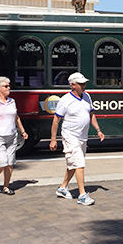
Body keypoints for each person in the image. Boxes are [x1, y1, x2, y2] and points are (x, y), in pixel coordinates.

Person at [50, 72, 104, 206]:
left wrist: (98, 130)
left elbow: (91, 114)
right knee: (79, 164)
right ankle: (82, 195)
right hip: (70, 136)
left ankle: (62, 188)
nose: (84, 86)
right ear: (73, 85)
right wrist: (53, 139)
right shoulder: (65, 100)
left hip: (82, 137)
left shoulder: (87, 96)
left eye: (84, 83)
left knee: (73, 165)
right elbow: (56, 120)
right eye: (81, 84)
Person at [0, 76, 29, 195]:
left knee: (10, 163)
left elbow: (16, 118)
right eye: (6, 86)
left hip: (12, 136)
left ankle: (6, 186)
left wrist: (22, 131)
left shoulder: (12, 101)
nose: (9, 88)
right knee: (2, 162)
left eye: (9, 86)